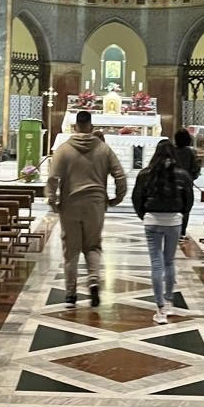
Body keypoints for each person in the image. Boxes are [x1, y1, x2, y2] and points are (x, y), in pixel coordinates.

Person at [46, 109, 126, 308]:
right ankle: (93, 281)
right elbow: (120, 175)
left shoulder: (63, 149)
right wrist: (118, 197)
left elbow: (52, 178)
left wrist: (52, 200)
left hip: (70, 204)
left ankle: (71, 294)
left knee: (71, 250)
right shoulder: (103, 149)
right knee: (93, 246)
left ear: (75, 127)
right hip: (96, 204)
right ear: (91, 126)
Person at [132, 139, 192, 323]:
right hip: (173, 221)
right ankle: (169, 301)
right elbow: (188, 201)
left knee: (156, 264)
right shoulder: (182, 174)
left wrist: (145, 215)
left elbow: (137, 198)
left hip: (152, 220)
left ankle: (160, 309)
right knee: (169, 261)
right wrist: (181, 219)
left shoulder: (145, 174)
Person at [172, 127, 200, 241]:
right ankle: (182, 231)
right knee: (186, 207)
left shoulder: (171, 151)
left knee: (174, 206)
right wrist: (192, 178)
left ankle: (173, 229)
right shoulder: (191, 152)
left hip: (172, 183)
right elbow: (195, 168)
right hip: (187, 184)